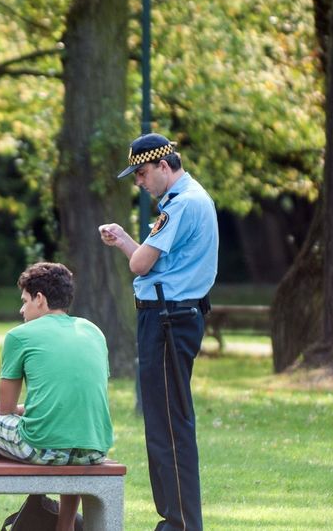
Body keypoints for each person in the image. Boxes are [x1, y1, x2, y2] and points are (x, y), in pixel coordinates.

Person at [98, 132, 218, 531]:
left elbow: (140, 265)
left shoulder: (181, 204)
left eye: (142, 173)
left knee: (168, 426)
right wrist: (124, 239)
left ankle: (180, 524)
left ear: (164, 166)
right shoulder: (189, 199)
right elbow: (151, 263)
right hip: (174, 316)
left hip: (168, 320)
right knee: (166, 422)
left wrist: (130, 247)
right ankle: (177, 520)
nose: (139, 182)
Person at [0, 262, 114, 531]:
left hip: (41, 446)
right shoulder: (93, 331)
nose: (21, 310)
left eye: (24, 301)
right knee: (70, 436)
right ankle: (65, 527)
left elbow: (5, 408)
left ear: (40, 298)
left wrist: (24, 410)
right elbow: (80, 395)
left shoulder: (20, 336)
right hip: (94, 449)